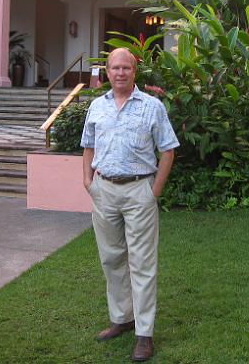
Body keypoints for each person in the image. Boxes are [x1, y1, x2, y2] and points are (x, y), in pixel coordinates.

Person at [81, 47, 179, 362]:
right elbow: (87, 146)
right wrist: (89, 182)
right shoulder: (96, 106)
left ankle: (144, 333)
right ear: (106, 72)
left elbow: (168, 150)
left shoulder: (152, 107)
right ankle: (122, 318)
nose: (120, 73)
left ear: (134, 71)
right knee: (111, 259)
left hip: (140, 191)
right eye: (115, 68)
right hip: (105, 190)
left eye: (126, 67)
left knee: (142, 264)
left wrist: (155, 190)